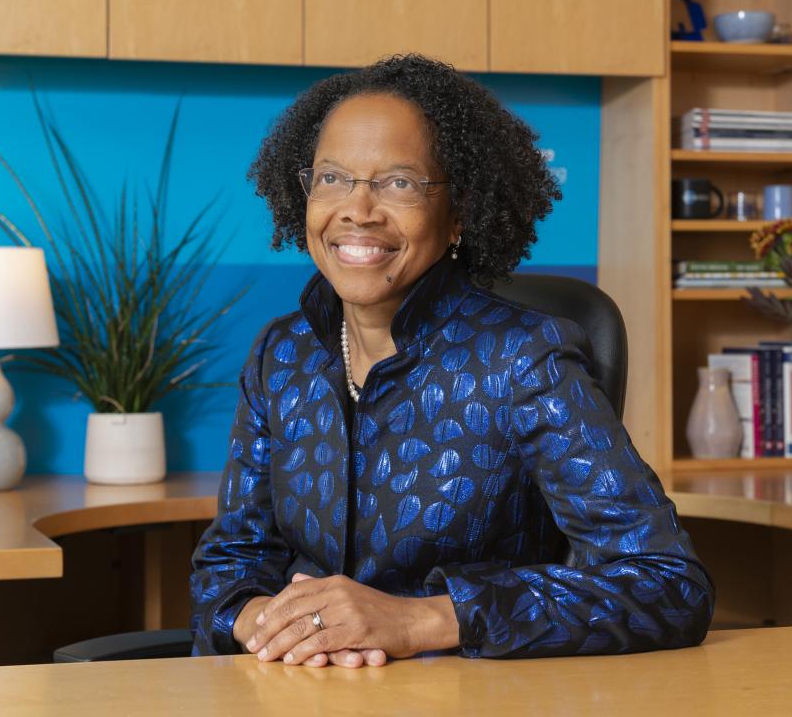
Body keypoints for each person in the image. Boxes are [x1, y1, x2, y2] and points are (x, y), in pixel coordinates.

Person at [189, 54, 714, 667]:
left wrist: (420, 620)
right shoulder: (282, 355)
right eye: (332, 178)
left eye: (399, 183)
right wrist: (272, 621)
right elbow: (226, 567)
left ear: (459, 213)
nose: (358, 209)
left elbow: (668, 583)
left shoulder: (522, 359)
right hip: (303, 692)